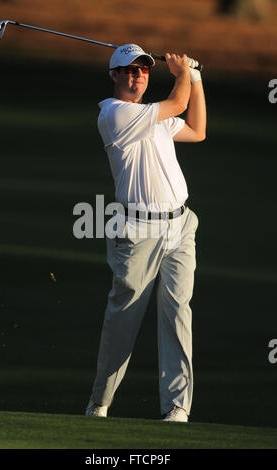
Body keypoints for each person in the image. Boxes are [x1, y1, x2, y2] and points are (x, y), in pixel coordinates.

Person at [85, 44, 206, 422]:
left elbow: (198, 130)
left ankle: (177, 407)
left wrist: (195, 77)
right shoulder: (115, 114)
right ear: (115, 76)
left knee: (177, 314)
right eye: (130, 71)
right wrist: (183, 73)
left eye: (144, 70)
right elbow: (177, 103)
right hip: (138, 231)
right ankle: (99, 403)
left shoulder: (152, 117)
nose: (138, 76)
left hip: (181, 227)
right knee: (124, 317)